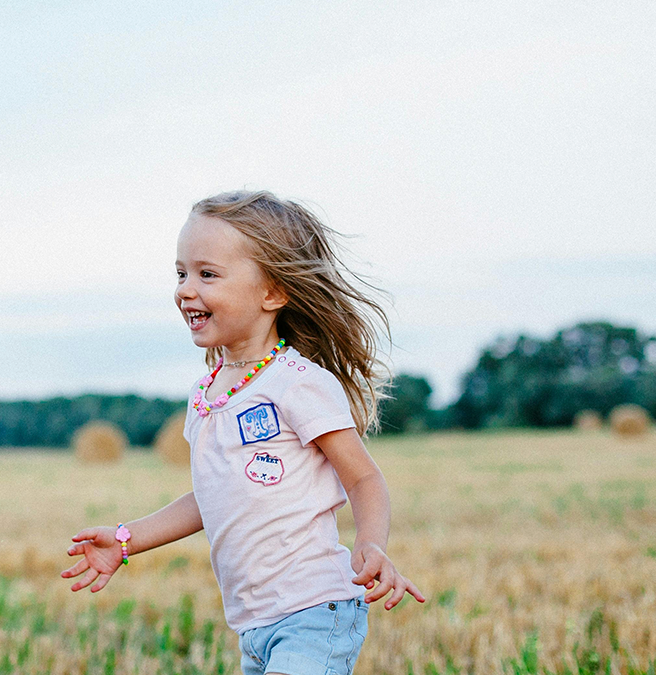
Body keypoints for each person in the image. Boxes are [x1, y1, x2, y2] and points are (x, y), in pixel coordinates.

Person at [60, 190, 425, 675]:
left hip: (314, 612)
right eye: (181, 273)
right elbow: (210, 495)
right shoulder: (207, 392)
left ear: (272, 292)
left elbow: (363, 479)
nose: (186, 289)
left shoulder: (299, 383)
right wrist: (127, 539)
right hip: (253, 626)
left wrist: (371, 542)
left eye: (207, 274)